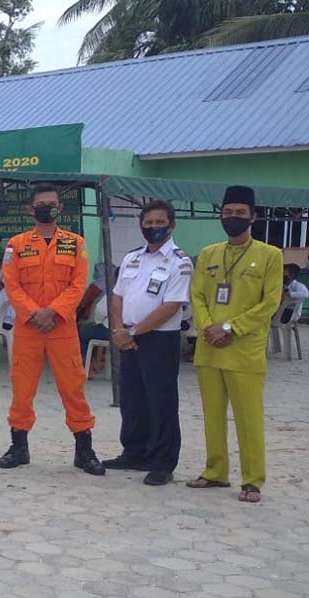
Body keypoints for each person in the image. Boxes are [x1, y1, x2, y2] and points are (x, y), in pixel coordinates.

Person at [0, 183, 105, 475]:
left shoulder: (76, 243)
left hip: (62, 327)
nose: (48, 208)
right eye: (41, 204)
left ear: (61, 208)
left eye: (52, 203)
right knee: (22, 388)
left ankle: (84, 450)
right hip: (29, 328)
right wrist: (34, 313)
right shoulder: (16, 244)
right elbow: (12, 284)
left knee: (73, 388)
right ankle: (18, 447)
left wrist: (54, 312)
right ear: (31, 210)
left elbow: (77, 284)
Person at [188, 185, 283, 503]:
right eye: (227, 213)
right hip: (210, 348)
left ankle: (253, 480)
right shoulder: (209, 254)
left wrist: (231, 327)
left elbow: (270, 302)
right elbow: (198, 295)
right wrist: (208, 327)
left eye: (240, 213)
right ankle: (215, 471)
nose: (233, 218)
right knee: (212, 416)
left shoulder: (270, 256)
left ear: (253, 217)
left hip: (244, 350)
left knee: (248, 418)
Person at [104, 200, 193, 486]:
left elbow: (171, 306)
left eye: (159, 222)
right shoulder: (132, 258)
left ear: (172, 225)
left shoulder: (180, 261)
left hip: (159, 339)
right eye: (148, 222)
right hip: (126, 334)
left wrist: (135, 332)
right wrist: (119, 330)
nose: (153, 227)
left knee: (161, 401)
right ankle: (134, 452)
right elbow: (117, 296)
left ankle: (163, 462)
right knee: (132, 398)